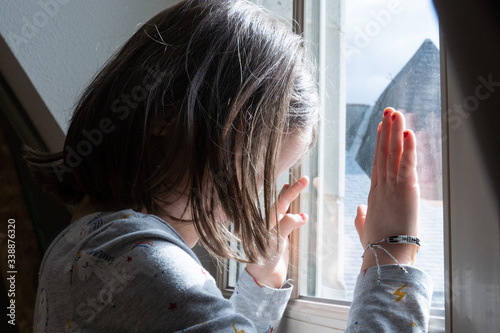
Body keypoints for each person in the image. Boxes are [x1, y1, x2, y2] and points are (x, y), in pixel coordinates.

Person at [26, 0, 432, 332]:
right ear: (167, 117)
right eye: (254, 172)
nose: (246, 206)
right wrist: (392, 256)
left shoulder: (76, 249)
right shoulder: (139, 261)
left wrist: (261, 286)